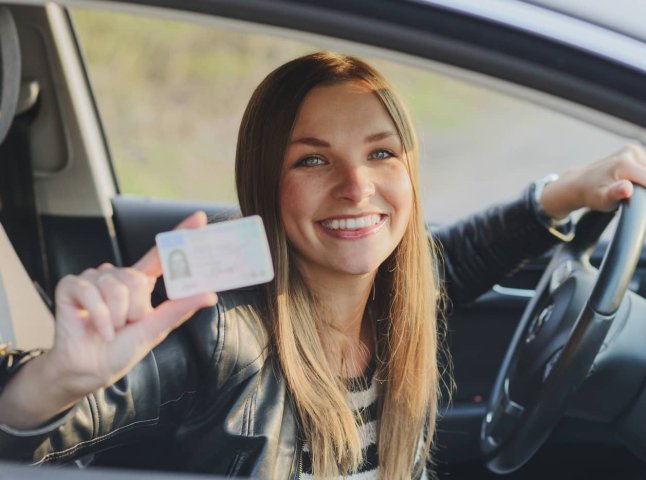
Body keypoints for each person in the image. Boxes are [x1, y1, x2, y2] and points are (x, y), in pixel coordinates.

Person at [0, 52, 645, 479]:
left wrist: (566, 190)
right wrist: (56, 381)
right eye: (313, 159)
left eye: (381, 154)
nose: (357, 187)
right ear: (265, 182)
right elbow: (38, 445)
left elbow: (464, 255)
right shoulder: (219, 331)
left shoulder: (397, 298)